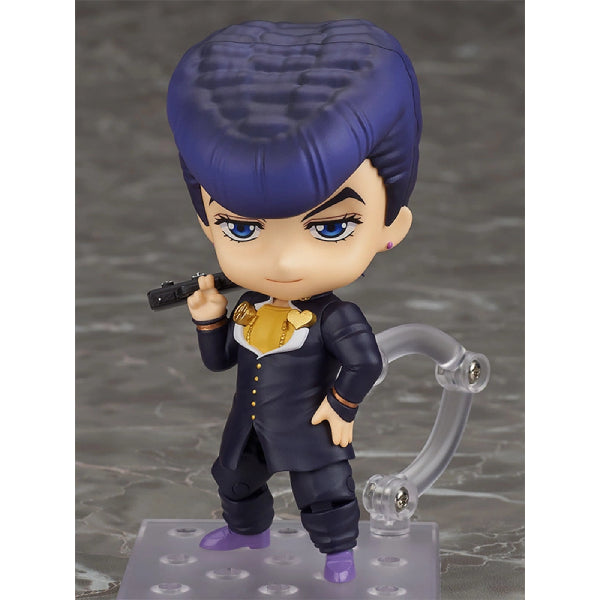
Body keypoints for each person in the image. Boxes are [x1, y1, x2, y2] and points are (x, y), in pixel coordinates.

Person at [166, 19, 422, 583]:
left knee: (324, 494)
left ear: (391, 226)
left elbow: (365, 361)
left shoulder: (336, 317)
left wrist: (341, 406)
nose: (282, 262)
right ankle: (245, 532)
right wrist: (209, 322)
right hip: (249, 423)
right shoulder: (246, 306)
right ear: (207, 223)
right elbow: (221, 362)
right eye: (240, 228)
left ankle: (339, 552)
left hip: (312, 424)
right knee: (234, 480)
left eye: (331, 228)